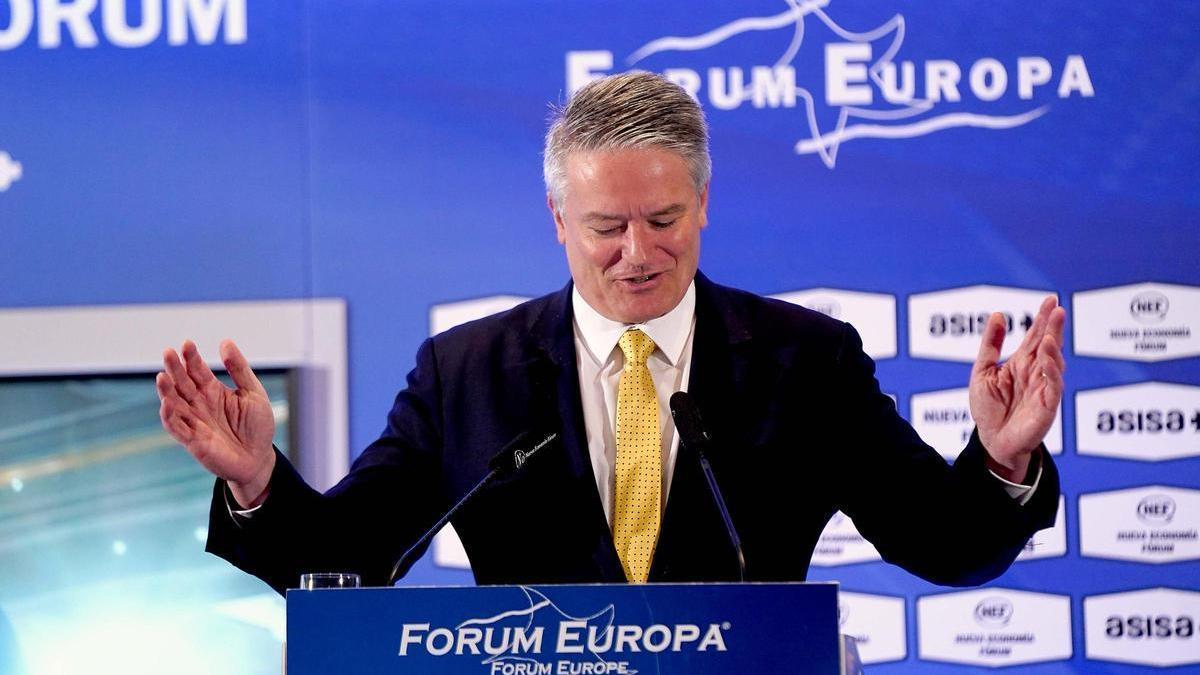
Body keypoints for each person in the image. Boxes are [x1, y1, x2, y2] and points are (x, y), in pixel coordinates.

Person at [156, 72, 1065, 595]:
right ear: (558, 219)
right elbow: (350, 563)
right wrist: (258, 482)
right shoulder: (466, 372)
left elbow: (944, 544)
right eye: (606, 227)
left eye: (665, 218)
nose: (638, 253)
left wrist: (1001, 460)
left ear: (705, 203)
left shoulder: (805, 361)